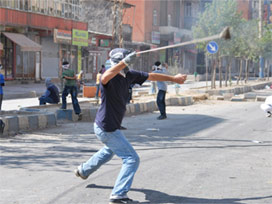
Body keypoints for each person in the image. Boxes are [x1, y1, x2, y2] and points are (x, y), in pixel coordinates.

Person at [74, 48, 187, 204]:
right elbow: (106, 77)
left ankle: (83, 170)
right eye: (124, 63)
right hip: (106, 128)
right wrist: (124, 62)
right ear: (118, 62)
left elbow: (152, 75)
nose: (126, 66)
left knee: (109, 151)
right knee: (132, 159)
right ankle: (118, 195)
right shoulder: (109, 77)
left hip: (109, 127)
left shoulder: (129, 75)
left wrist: (174, 79)